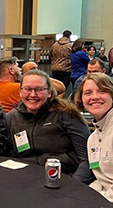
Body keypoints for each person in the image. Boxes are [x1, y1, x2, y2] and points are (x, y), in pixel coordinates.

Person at [7, 69, 93, 184]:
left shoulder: (66, 114)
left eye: (39, 90)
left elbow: (87, 158)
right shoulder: (11, 118)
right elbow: (9, 156)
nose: (33, 95)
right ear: (20, 92)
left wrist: (75, 186)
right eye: (27, 89)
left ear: (49, 93)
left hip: (64, 179)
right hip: (25, 180)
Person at [74, 73, 113, 201]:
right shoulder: (93, 139)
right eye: (88, 93)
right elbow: (101, 180)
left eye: (102, 91)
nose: (95, 97)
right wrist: (82, 196)